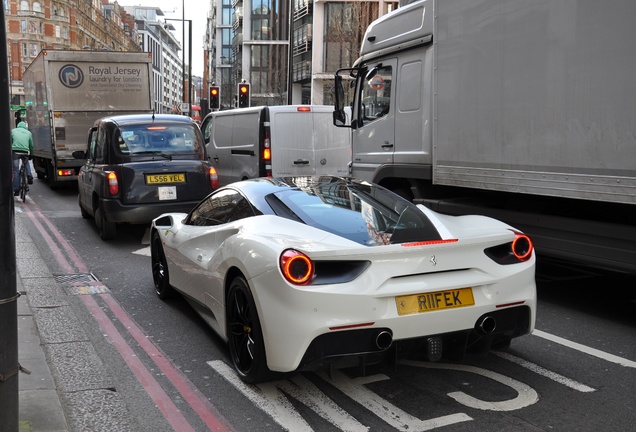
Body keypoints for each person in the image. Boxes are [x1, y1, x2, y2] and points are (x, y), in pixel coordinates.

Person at [12, 121, 34, 196]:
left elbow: (10, 142)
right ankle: (29, 175)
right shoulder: (28, 133)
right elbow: (31, 145)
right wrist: (31, 154)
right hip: (25, 151)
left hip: (15, 151)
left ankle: (16, 190)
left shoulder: (13, 131)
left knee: (15, 170)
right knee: (26, 162)